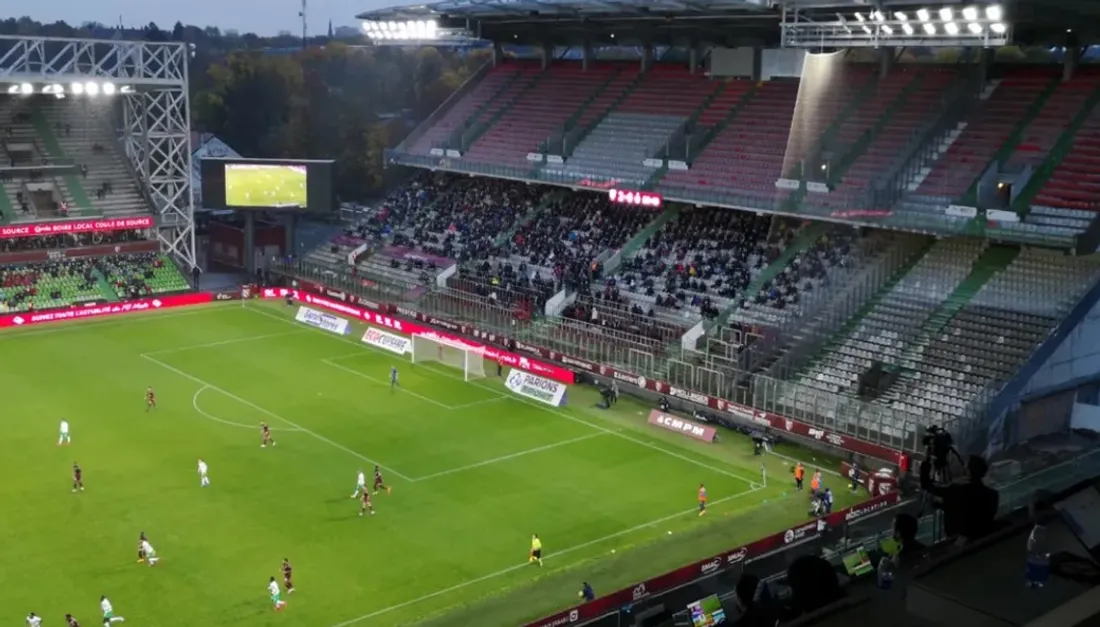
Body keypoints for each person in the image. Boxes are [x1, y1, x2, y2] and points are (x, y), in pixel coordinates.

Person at [919, 453, 999, 542]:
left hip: (956, 540)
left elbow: (927, 485)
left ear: (968, 470)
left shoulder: (956, 489)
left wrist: (926, 462)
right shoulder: (992, 495)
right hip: (983, 540)